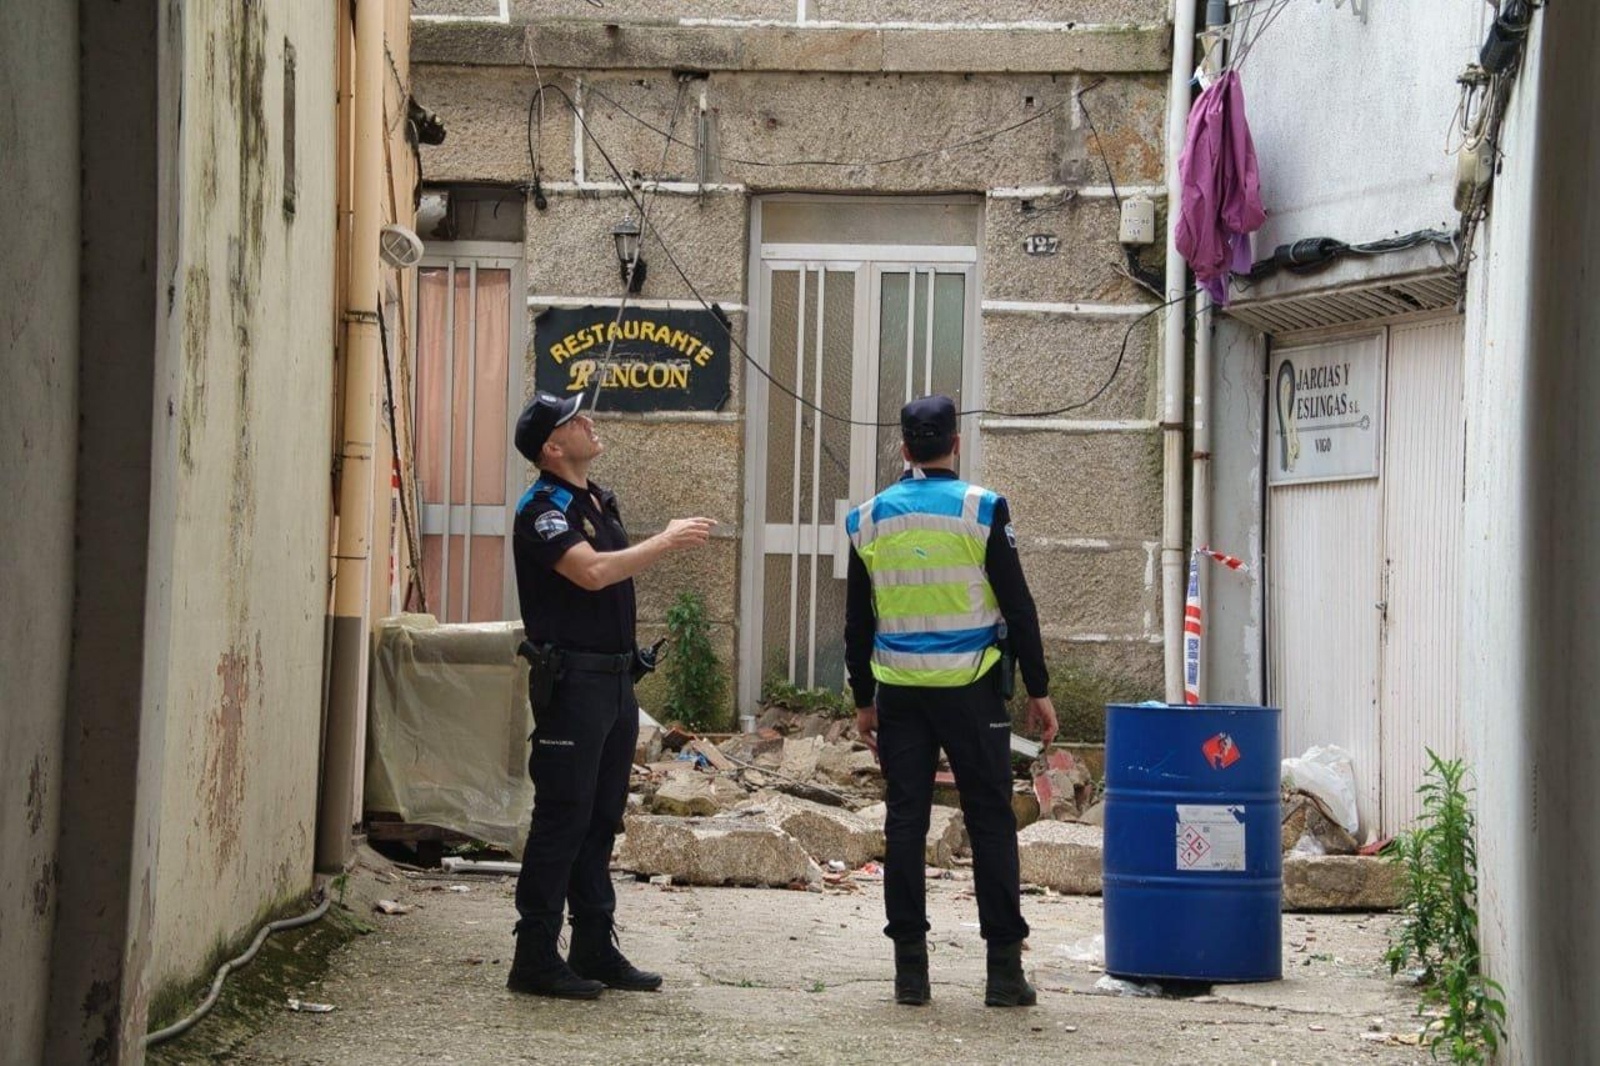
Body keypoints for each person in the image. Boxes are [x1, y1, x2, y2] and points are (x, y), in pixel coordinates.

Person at [844, 394, 1059, 1008]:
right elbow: (1018, 606)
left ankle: (910, 974)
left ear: (904, 448)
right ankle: (1003, 974)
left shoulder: (867, 518)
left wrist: (864, 700)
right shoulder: (983, 509)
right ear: (955, 444)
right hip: (972, 691)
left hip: (900, 694)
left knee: (905, 822)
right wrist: (1038, 689)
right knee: (990, 820)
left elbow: (858, 621)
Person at [506, 390, 714, 999]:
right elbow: (591, 572)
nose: (589, 421)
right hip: (572, 685)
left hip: (615, 684)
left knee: (600, 819)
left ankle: (594, 944)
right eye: (574, 420)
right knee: (561, 818)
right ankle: (534, 956)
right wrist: (664, 540)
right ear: (552, 447)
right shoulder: (542, 509)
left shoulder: (595, 500)